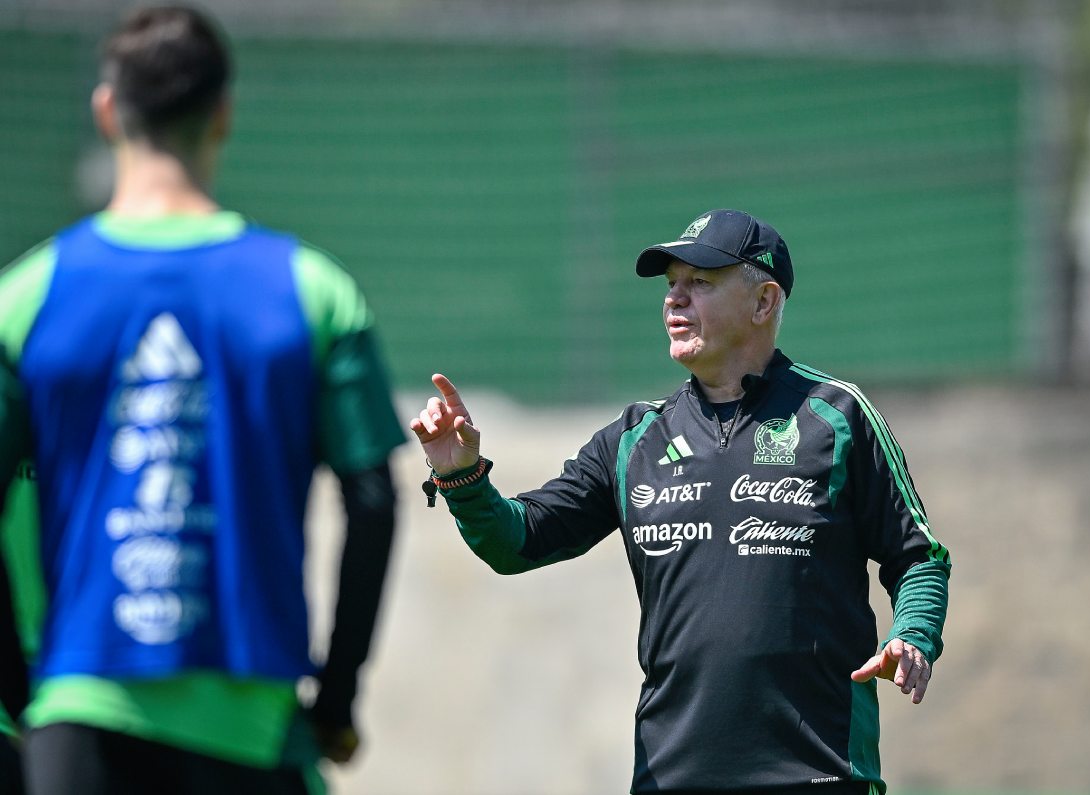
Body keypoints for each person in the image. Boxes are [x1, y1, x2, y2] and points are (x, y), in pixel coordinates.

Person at [0, 7, 407, 793]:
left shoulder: (26, 297)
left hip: (80, 712)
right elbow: (373, 500)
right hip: (252, 725)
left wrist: (25, 690)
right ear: (224, 113)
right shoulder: (312, 291)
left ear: (107, 110)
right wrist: (338, 694)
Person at [411, 209, 951, 795]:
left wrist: (914, 633)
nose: (675, 301)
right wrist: (462, 477)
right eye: (671, 285)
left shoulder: (837, 417)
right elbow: (518, 539)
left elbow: (917, 555)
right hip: (671, 777)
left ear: (764, 302)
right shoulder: (635, 439)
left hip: (819, 772)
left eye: (701, 282)